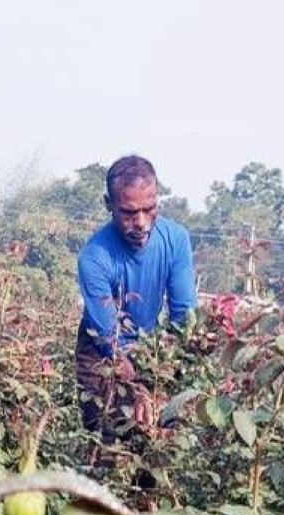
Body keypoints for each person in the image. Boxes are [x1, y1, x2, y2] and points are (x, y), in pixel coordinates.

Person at [75, 154, 196, 461]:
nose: (141, 222)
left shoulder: (176, 240)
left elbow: (184, 314)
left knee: (158, 447)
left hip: (153, 347)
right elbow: (110, 337)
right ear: (109, 205)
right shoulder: (94, 258)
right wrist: (138, 389)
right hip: (101, 352)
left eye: (149, 209)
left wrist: (166, 379)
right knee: (109, 449)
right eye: (129, 213)